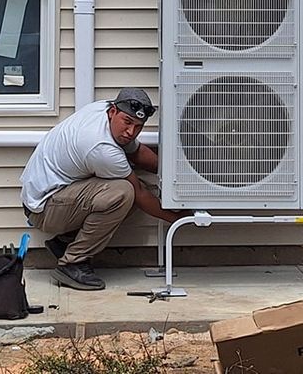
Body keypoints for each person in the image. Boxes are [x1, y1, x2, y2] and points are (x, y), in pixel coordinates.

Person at [20, 88, 186, 290]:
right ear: (113, 112)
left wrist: (181, 173)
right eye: (127, 122)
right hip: (44, 207)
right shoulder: (100, 147)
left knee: (134, 191)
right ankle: (72, 263)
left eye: (138, 127)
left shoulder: (102, 109)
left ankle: (66, 243)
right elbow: (139, 194)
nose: (131, 132)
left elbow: (136, 152)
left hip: (56, 194)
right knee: (124, 193)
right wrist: (183, 220)